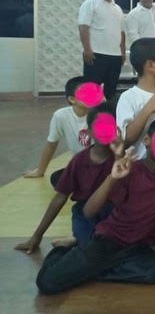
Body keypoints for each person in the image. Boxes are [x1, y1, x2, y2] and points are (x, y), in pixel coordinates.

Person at [35, 117, 155, 295]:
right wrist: (112, 178)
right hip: (110, 240)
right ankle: (63, 253)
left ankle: (92, 269)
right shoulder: (132, 170)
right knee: (47, 283)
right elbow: (88, 211)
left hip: (140, 245)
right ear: (147, 140)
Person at [15, 103, 119, 253]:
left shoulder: (122, 158)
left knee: (113, 245)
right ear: (88, 132)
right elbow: (60, 197)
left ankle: (76, 240)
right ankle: (78, 239)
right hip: (84, 214)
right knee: (91, 249)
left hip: (112, 213)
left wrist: (119, 157)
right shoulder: (79, 161)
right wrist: (37, 236)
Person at [24, 77, 92, 180]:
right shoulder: (61, 116)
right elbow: (51, 144)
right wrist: (40, 171)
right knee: (56, 178)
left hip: (102, 165)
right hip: (80, 165)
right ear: (72, 99)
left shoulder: (100, 113)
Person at [78, 0, 125, 101]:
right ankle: (90, 112)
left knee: (111, 90)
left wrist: (122, 53)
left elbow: (121, 32)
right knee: (92, 89)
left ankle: (108, 111)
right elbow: (83, 27)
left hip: (115, 56)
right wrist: (87, 49)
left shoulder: (118, 9)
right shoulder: (90, 4)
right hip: (96, 54)